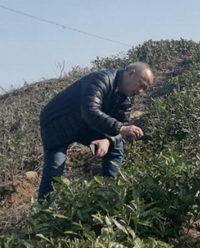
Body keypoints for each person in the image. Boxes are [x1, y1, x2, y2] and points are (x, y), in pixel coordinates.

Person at [37, 62, 153, 201]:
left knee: (114, 146)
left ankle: (110, 197)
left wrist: (107, 140)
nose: (140, 91)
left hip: (85, 126)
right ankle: (46, 211)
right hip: (58, 125)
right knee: (54, 172)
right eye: (141, 85)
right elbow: (90, 111)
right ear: (131, 73)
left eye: (144, 89)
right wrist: (120, 128)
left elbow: (122, 124)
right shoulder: (100, 80)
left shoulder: (127, 97)